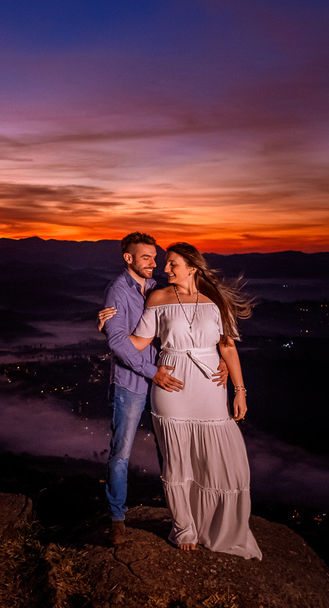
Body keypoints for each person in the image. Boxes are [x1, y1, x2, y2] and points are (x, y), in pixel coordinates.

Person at [123, 241, 262, 558]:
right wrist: (110, 329)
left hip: (211, 386)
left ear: (192, 268)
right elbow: (139, 342)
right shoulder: (157, 298)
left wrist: (239, 391)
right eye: (166, 263)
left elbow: (227, 347)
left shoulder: (215, 300)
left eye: (172, 264)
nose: (165, 268)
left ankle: (216, 525)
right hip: (172, 385)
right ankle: (184, 526)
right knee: (178, 459)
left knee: (222, 460)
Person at [97, 233, 227, 546]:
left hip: (164, 382)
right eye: (146, 258)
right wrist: (152, 371)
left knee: (171, 452)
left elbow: (185, 323)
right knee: (121, 454)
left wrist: (220, 356)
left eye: (156, 258)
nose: (154, 264)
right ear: (128, 258)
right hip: (134, 383)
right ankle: (117, 519)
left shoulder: (157, 288)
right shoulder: (117, 291)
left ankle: (182, 517)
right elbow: (118, 343)